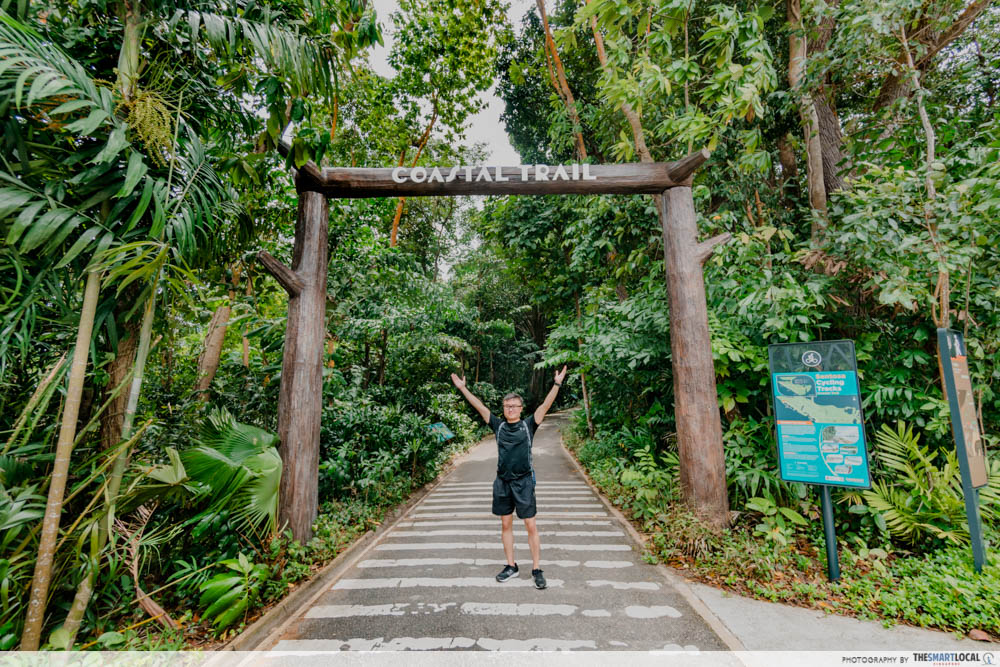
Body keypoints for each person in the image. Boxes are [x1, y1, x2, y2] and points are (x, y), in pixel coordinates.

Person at [450, 366, 568, 590]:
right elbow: (479, 406)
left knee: (530, 525)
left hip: (524, 482)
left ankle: (536, 569)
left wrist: (557, 384)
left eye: (514, 406)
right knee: (506, 524)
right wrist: (463, 389)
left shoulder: (528, 425)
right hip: (502, 482)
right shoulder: (499, 425)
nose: (511, 409)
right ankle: (511, 565)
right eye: (507, 406)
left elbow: (545, 405)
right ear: (503, 409)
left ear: (521, 409)